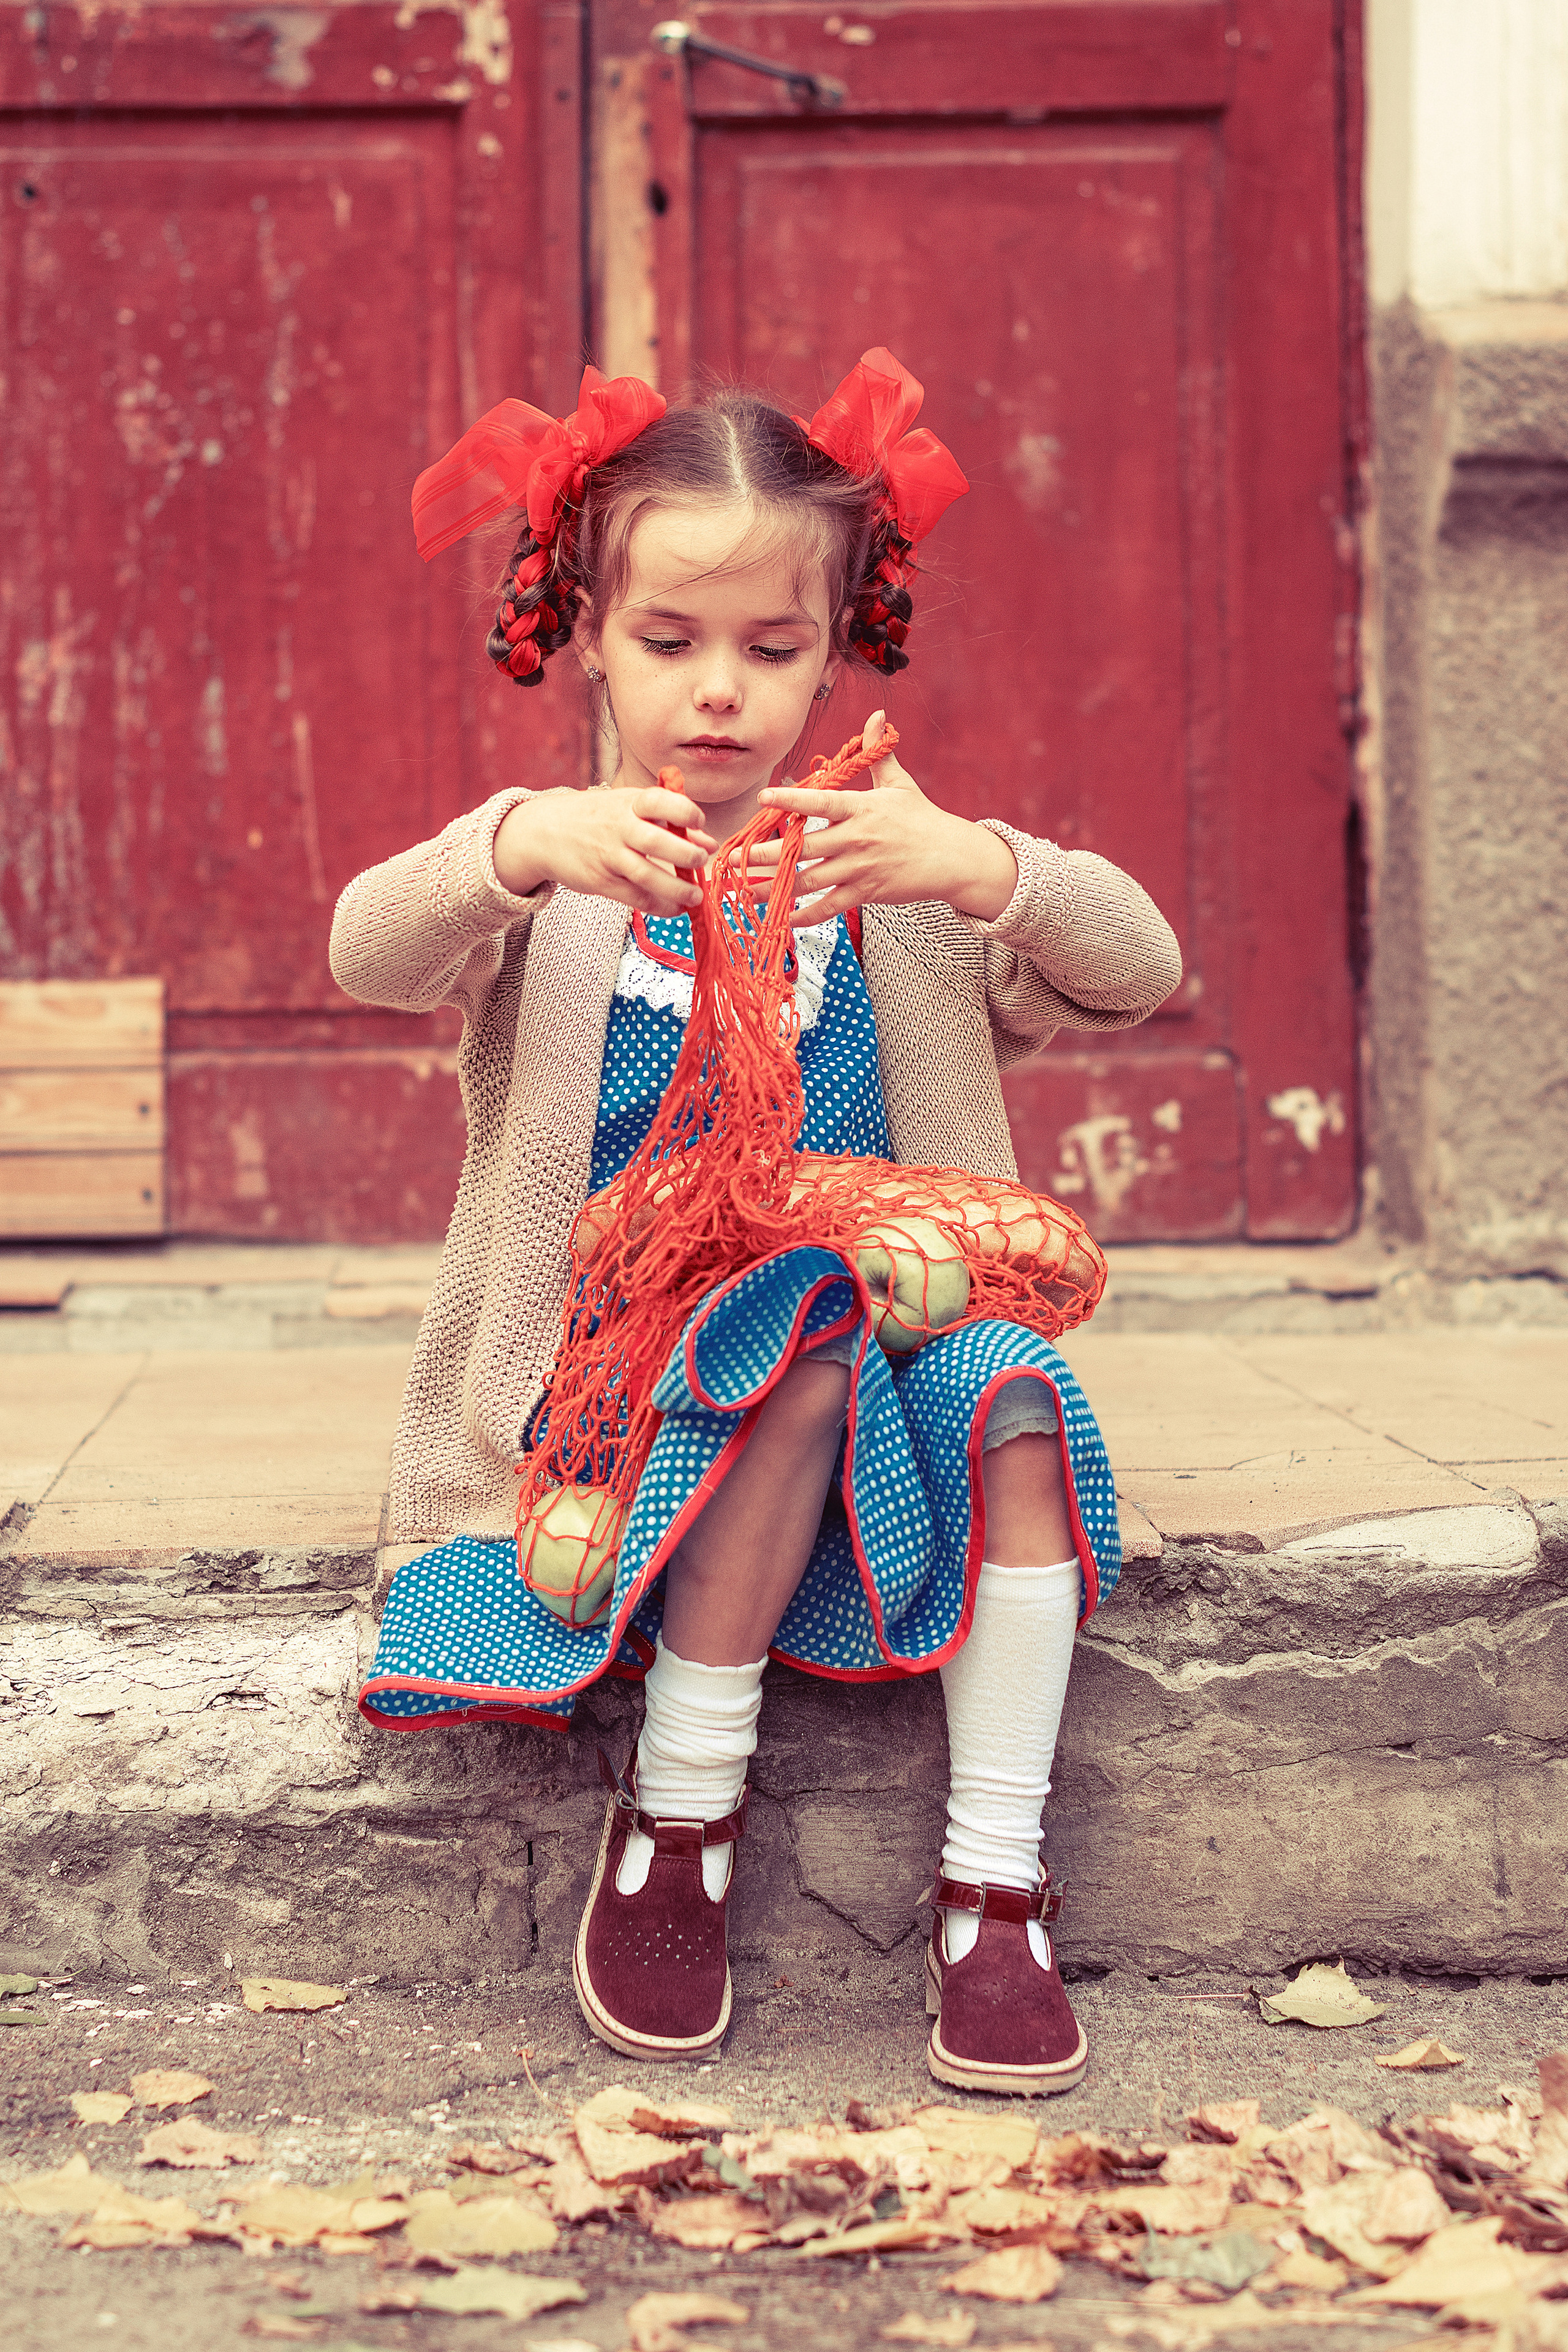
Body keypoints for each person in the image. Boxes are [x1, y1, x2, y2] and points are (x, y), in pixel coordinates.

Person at [331, 350, 1182, 2097]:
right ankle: (682, 1823)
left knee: (1019, 1394)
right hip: (622, 1383)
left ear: (839, 640)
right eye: (670, 642)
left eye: (772, 648)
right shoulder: (567, 884)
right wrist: (511, 845)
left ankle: (995, 1882)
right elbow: (368, 953)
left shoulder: (888, 884)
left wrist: (986, 868)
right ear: (586, 630)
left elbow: (1140, 970)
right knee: (787, 1329)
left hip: (901, 1342)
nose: (720, 693)